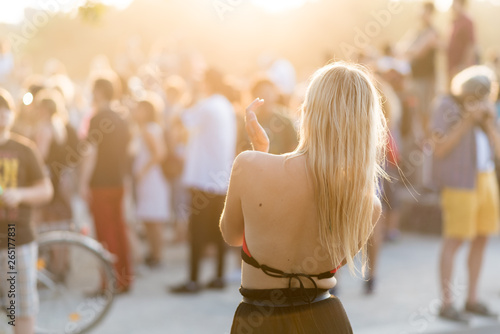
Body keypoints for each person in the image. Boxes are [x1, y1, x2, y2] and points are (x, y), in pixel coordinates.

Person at [221, 62, 386, 333]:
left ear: (306, 111)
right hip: (326, 320)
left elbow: (232, 235)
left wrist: (260, 153)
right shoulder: (367, 205)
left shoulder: (249, 165)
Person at [432, 66, 500, 322]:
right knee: (455, 239)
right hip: (459, 182)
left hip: (486, 179)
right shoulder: (446, 106)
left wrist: (489, 123)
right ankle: (446, 303)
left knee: (482, 238)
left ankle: (472, 299)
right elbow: (439, 149)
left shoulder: (488, 113)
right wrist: (466, 120)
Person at [170, 68, 236, 293]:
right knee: (217, 232)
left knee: (196, 232)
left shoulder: (207, 105)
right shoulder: (225, 105)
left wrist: (190, 95)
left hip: (203, 179)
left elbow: (181, 118)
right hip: (219, 180)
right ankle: (218, 276)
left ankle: (193, 280)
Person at [0, 88, 53, 334]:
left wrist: (20, 194)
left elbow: (45, 190)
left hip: (16, 241)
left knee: (21, 309)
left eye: (4, 108)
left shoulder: (24, 149)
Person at [79, 76, 133, 293]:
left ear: (99, 92)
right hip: (118, 181)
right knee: (119, 230)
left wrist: (83, 182)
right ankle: (125, 279)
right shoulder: (122, 119)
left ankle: (110, 283)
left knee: (105, 233)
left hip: (101, 183)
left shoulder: (97, 117)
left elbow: (90, 153)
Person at [131, 94, 171, 267]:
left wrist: (143, 170)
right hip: (149, 179)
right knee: (149, 218)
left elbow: (160, 153)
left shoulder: (149, 129)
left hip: (151, 178)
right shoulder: (149, 128)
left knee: (154, 220)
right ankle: (153, 253)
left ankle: (157, 255)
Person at [405, 1, 439, 140]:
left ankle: (427, 143)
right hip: (415, 77)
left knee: (426, 112)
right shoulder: (418, 32)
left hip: (426, 78)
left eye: (425, 12)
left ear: (430, 13)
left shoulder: (432, 32)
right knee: (416, 111)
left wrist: (409, 50)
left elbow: (418, 51)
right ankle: (419, 142)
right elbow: (406, 49)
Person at [250, 78, 298, 155]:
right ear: (254, 95)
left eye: (269, 91)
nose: (266, 95)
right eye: (262, 92)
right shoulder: (250, 120)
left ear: (276, 94)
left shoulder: (285, 120)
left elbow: (294, 149)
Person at [447, 0, 477, 86]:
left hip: (461, 69)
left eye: (454, 3)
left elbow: (471, 45)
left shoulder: (467, 21)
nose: (452, 6)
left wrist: (462, 66)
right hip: (452, 68)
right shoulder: (454, 21)